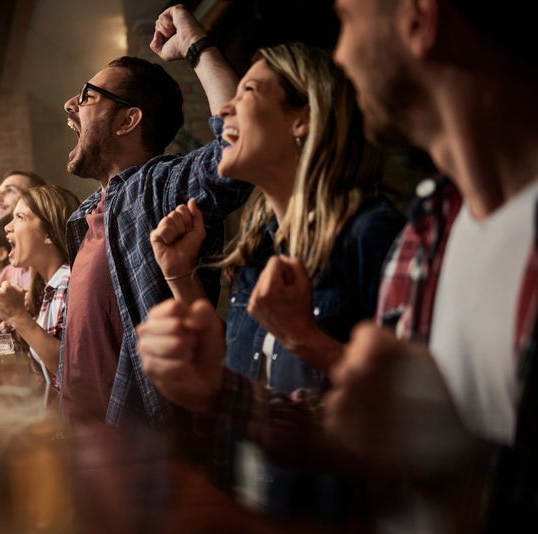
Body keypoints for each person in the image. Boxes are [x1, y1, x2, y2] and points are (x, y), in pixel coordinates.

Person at [140, 0, 538, 529]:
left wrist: (316, 348)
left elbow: (416, 455)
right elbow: (366, 435)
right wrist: (216, 384)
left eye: (347, 20)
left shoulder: (377, 233)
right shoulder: (425, 233)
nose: (342, 56)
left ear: (421, 20)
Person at [145, 42, 403, 518]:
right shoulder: (258, 245)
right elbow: (252, 377)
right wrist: (179, 275)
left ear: (301, 119)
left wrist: (305, 338)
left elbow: (404, 410)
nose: (223, 109)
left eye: (247, 90)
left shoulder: (372, 232)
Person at [58, 4, 251, 425]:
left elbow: (240, 147)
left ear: (128, 120)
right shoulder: (86, 216)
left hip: (143, 455)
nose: (71, 104)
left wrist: (196, 47)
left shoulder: (155, 187)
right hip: (83, 448)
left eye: (88, 96)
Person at [0, 185, 80, 389]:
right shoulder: (43, 290)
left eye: (19, 217)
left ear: (48, 234)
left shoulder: (69, 282)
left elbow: (75, 371)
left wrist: (18, 317)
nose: (7, 227)